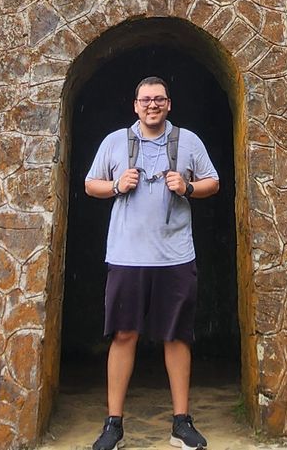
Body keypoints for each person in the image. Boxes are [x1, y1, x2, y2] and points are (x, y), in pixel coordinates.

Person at [83, 75, 221, 450]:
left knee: (177, 336)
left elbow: (214, 182)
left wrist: (188, 187)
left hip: (175, 255)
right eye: (145, 100)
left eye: (158, 99)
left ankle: (181, 422)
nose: (152, 105)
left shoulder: (188, 141)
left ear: (169, 104)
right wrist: (116, 186)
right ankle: (114, 424)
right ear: (135, 105)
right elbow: (89, 184)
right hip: (127, 255)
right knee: (124, 334)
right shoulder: (114, 142)